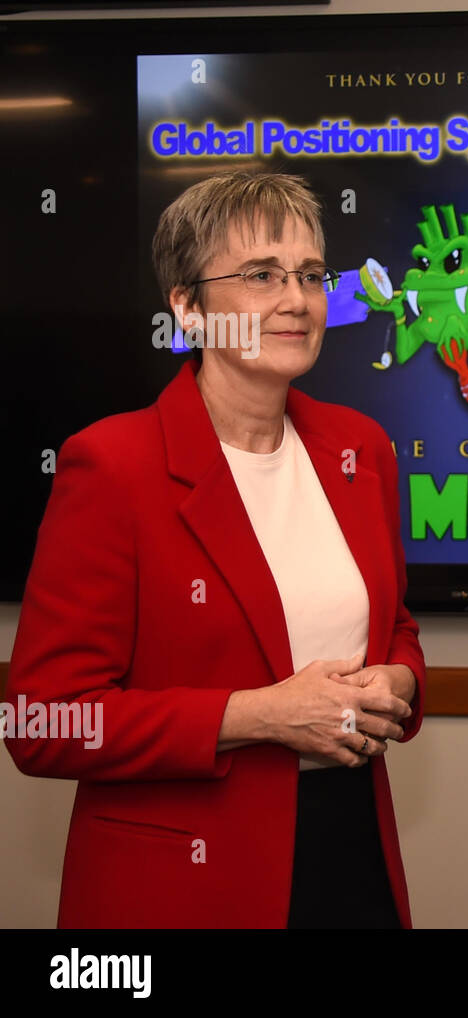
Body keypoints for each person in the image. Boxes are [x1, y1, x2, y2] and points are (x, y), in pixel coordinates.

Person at [4, 172, 427, 928]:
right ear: (187, 307)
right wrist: (257, 715)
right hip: (185, 885)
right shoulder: (113, 465)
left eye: (309, 275)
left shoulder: (360, 449)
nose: (295, 300)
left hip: (349, 851)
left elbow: (397, 629)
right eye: (261, 275)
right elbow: (43, 721)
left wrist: (397, 678)